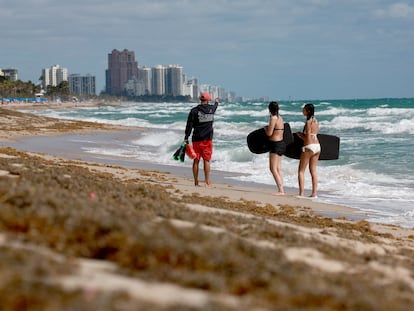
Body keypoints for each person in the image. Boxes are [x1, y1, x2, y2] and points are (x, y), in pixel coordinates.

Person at [184, 92, 219, 187]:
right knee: (206, 160)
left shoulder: (194, 111)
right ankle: (207, 182)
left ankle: (196, 182)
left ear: (200, 99)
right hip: (207, 140)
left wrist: (186, 137)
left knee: (196, 160)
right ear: (208, 100)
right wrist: (216, 102)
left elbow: (189, 125)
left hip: (196, 139)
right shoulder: (211, 109)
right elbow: (215, 107)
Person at [296, 103, 320, 197]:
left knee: (301, 171)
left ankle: (301, 194)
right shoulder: (316, 120)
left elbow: (308, 138)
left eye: (304, 109)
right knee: (313, 171)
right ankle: (314, 194)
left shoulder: (308, 122)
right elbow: (314, 135)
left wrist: (301, 136)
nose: (303, 111)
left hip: (309, 147)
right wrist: (302, 136)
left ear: (308, 111)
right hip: (318, 146)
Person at [264, 101, 285, 195]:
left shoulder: (273, 118)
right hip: (281, 143)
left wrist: (265, 129)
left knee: (272, 168)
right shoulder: (280, 118)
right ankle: (281, 188)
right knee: (278, 168)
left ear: (270, 109)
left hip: (275, 144)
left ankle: (281, 190)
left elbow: (269, 133)